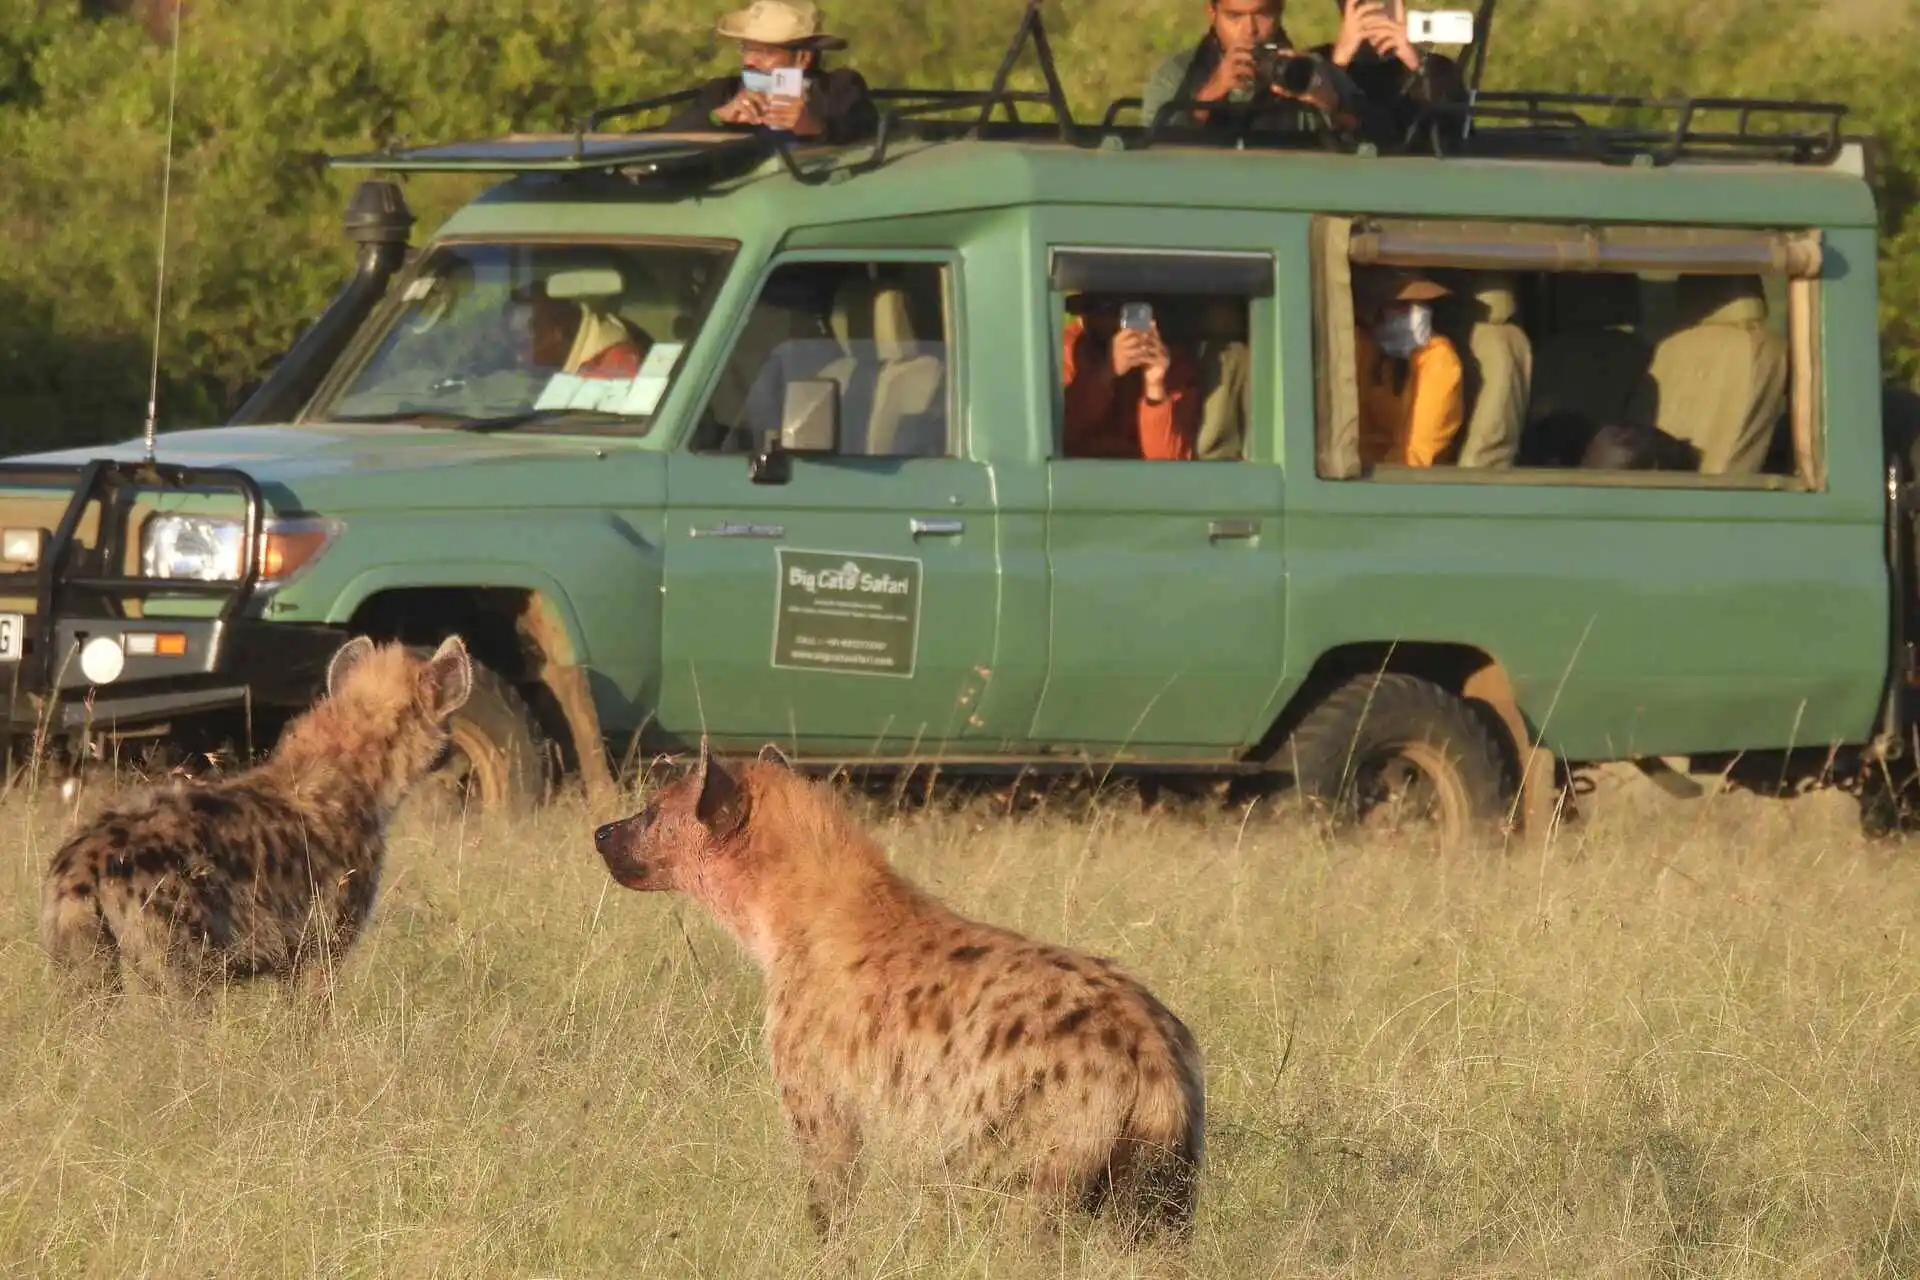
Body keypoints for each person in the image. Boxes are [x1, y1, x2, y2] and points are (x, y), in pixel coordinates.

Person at [1140, 0, 1388, 144]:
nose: (1250, 30)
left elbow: (1376, 145)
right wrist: (1212, 92)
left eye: (1262, 14)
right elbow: (1153, 153)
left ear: (1280, 10)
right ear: (1212, 13)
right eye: (1234, 16)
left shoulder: (1315, 73)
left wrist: (1328, 105)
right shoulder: (1175, 75)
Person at [662, 0, 878, 144]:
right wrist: (718, 118)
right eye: (746, 48)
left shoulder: (838, 87)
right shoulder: (723, 92)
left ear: (803, 57)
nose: (749, 60)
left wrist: (813, 127)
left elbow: (866, 127)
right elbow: (661, 139)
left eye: (765, 52)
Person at [1061, 295, 1201, 460]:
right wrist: (1106, 373)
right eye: (1107, 308)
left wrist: (1155, 387)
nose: (1120, 321)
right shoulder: (1069, 349)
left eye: (1135, 312)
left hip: (1144, 480)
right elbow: (1061, 434)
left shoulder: (1170, 362)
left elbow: (1169, 463)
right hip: (1081, 474)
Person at [1316, 0, 1467, 150]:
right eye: (1361, 3)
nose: (1371, 8)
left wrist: (1414, 63)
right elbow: (1309, 133)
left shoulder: (1437, 68)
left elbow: (1451, 135)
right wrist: (1338, 62)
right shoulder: (1313, 65)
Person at [1353, 269, 1464, 467]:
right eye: (1402, 305)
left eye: (1422, 303)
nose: (1418, 312)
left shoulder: (1439, 361)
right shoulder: (1368, 351)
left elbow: (1419, 456)